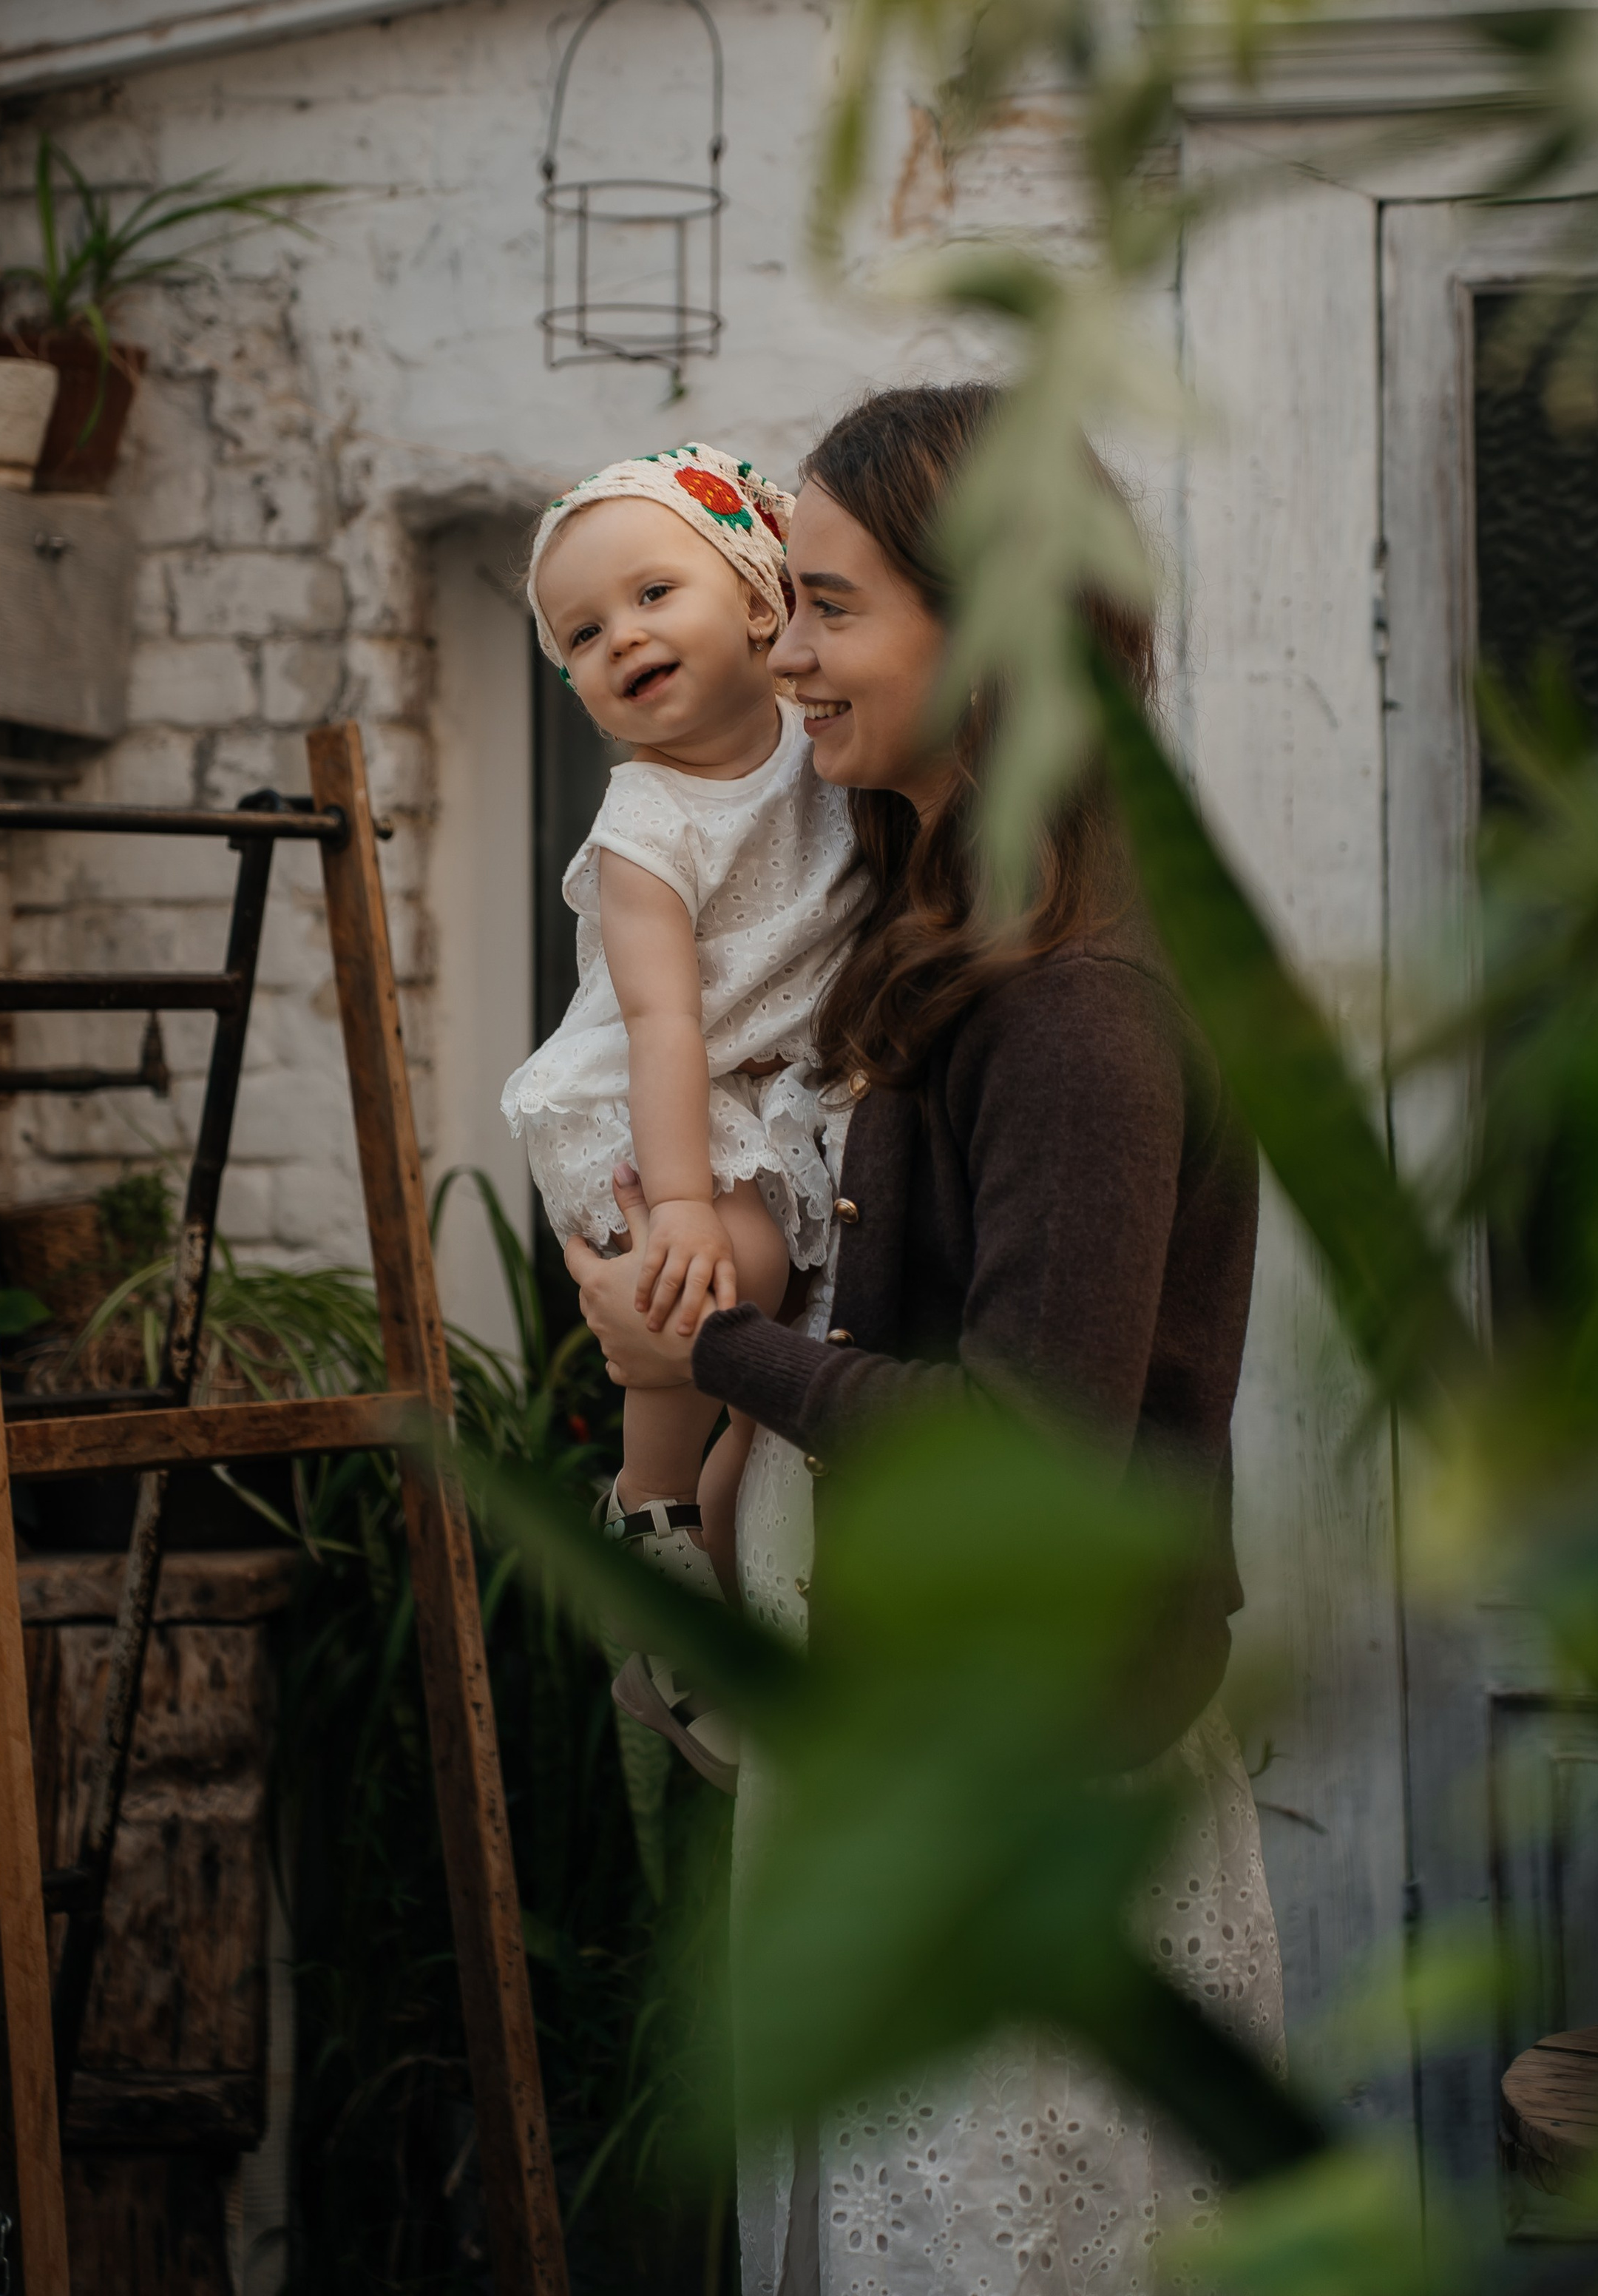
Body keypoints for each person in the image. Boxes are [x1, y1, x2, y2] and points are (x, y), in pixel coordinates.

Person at [567, 384, 1284, 2296]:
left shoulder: (1076, 1009)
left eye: (825, 610)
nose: (776, 655)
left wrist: (704, 1350)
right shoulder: (937, 929)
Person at [502, 441, 862, 1781]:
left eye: (655, 593)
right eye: (584, 634)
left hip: (767, 1095)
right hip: (652, 1109)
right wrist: (688, 1216)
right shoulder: (648, 820)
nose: (623, 639)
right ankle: (642, 1529)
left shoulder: (825, 745)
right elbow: (663, 1025)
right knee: (730, 1290)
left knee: (768, 1432)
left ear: (762, 598)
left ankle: (707, 1619)